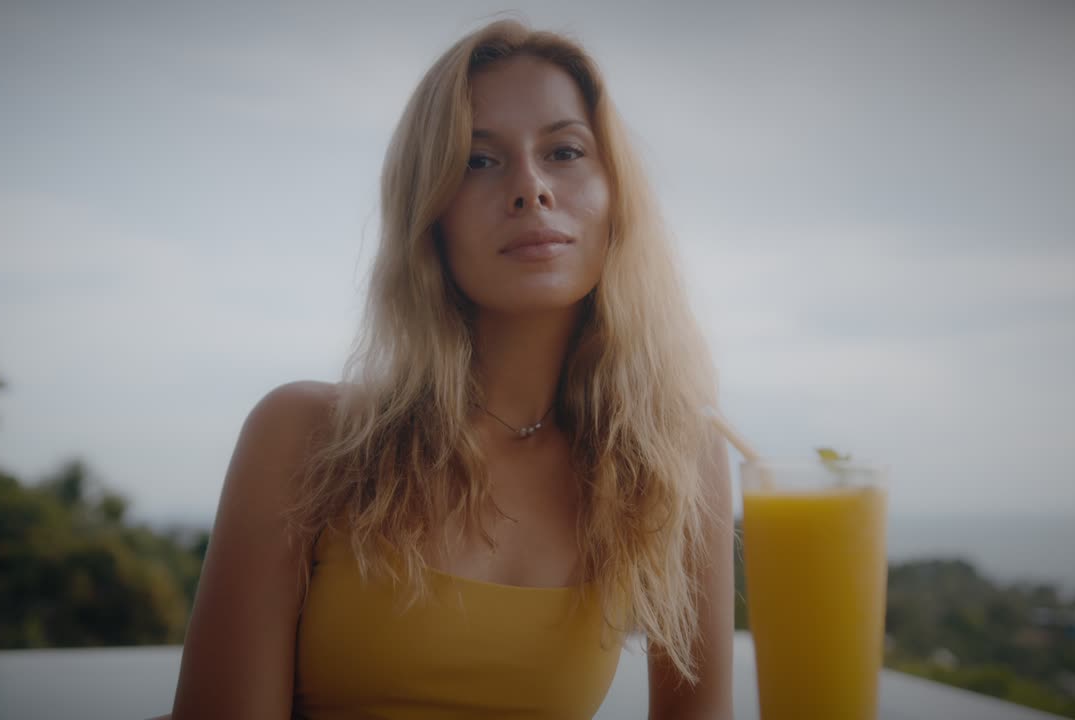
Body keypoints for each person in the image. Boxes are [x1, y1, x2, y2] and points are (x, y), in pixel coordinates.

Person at [166, 18, 733, 720]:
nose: (531, 189)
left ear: (615, 197)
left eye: (564, 151)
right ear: (428, 213)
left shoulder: (674, 465)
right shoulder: (303, 437)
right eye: (478, 160)